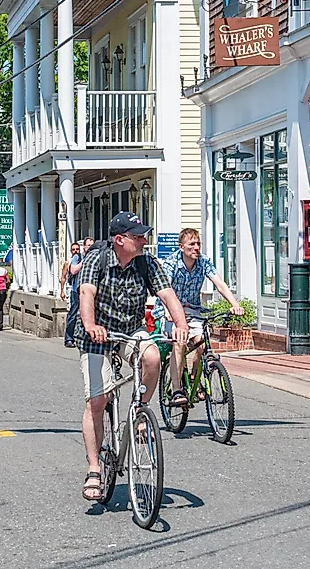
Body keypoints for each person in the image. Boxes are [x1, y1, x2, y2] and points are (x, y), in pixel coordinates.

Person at [76, 212, 189, 501]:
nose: (143, 240)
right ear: (119, 239)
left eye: (143, 235)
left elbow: (167, 295)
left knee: (151, 357)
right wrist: (90, 325)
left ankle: (139, 411)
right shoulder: (97, 259)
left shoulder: (146, 262)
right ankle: (94, 468)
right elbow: (86, 293)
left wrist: (180, 325)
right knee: (97, 401)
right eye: (137, 236)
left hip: (130, 330)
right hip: (98, 334)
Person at [155, 228, 243, 407]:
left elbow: (220, 284)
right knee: (179, 342)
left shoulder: (203, 262)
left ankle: (195, 380)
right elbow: (164, 289)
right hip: (170, 311)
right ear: (181, 247)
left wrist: (235, 304)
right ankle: (177, 389)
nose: (196, 248)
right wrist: (167, 310)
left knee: (202, 341)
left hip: (193, 310)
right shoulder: (171, 263)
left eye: (198, 244)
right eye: (191, 244)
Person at [59, 242, 83, 348]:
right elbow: (63, 277)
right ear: (70, 251)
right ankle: (68, 338)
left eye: (77, 249)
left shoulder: (83, 260)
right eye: (73, 249)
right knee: (72, 315)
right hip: (72, 290)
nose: (76, 251)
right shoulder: (68, 263)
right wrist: (62, 291)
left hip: (82, 290)